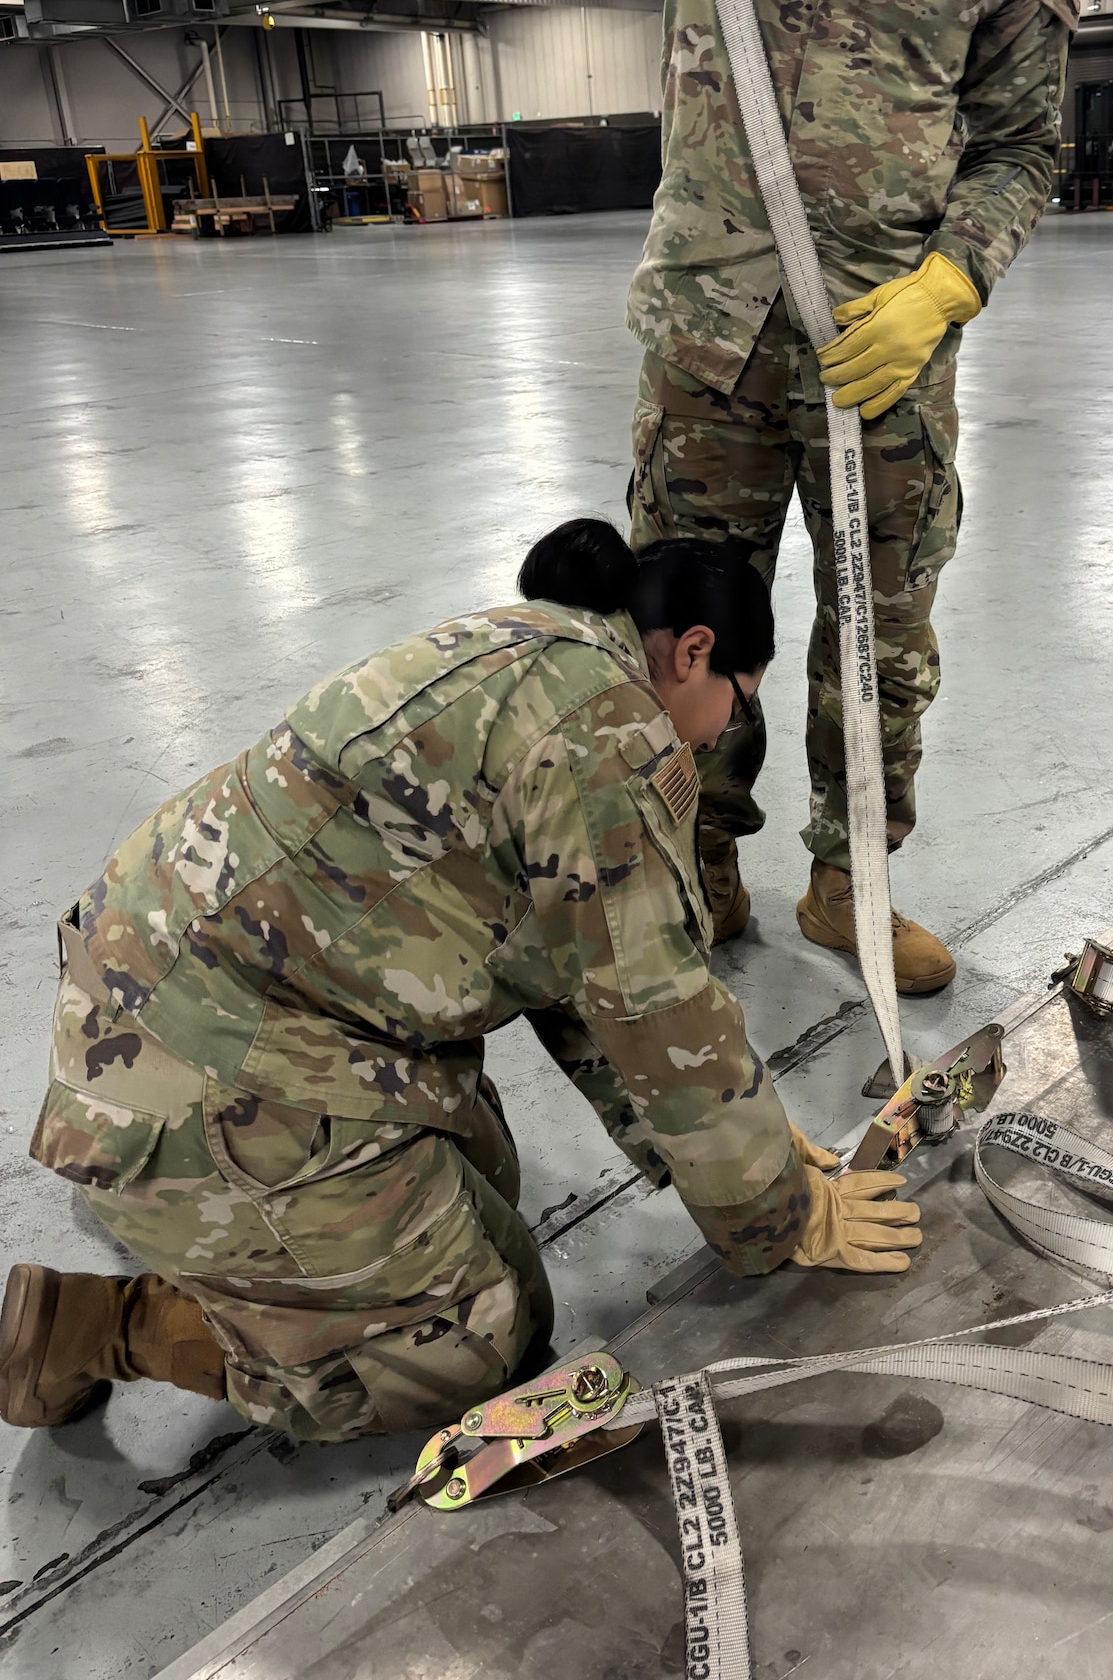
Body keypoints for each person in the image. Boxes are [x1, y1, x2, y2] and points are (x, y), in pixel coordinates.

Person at [0, 521, 919, 1443]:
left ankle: (221, 1227)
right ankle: (110, 1323)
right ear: (693, 653)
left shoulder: (539, 647)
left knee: (489, 1181)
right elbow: (657, 1010)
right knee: (477, 1345)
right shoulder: (609, 736)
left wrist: (754, 1139)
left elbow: (585, 983)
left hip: (181, 990)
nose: (727, 731)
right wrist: (780, 1220)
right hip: (203, 1064)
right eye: (741, 704)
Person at [430, 0, 1077, 994]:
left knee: (881, 638)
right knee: (678, 627)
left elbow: (1022, 148)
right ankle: (698, 869)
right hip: (710, 343)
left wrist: (949, 283)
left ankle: (854, 886)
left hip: (880, 360)